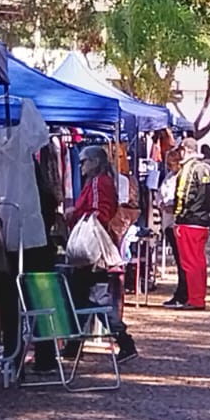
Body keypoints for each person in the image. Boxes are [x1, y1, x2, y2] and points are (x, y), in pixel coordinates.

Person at [65, 145, 139, 363]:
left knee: (96, 299)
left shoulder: (99, 183)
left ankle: (124, 341)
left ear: (95, 162)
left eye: (83, 161)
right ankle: (74, 344)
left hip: (94, 252)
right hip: (94, 251)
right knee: (82, 297)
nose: (81, 166)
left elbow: (99, 212)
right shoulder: (99, 182)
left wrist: (75, 215)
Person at [166, 141, 210, 310]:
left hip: (189, 222)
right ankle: (198, 296)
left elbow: (183, 195)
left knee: (190, 263)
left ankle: (195, 299)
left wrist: (177, 218)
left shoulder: (189, 169)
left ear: (185, 150)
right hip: (203, 222)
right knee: (199, 262)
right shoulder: (207, 168)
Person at [160, 146, 187, 306]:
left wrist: (170, 205)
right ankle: (180, 291)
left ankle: (183, 292)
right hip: (167, 222)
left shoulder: (181, 178)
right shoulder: (169, 177)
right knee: (178, 260)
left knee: (182, 260)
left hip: (176, 222)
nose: (169, 167)